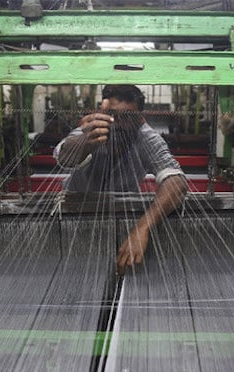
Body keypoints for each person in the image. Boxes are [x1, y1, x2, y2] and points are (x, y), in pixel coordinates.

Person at [54, 85, 188, 272]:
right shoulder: (93, 129)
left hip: (121, 215)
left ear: (140, 118)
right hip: (75, 216)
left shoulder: (145, 137)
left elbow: (177, 183)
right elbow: (64, 158)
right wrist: (85, 142)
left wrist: (142, 227)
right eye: (113, 115)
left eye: (127, 117)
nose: (118, 123)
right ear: (104, 112)